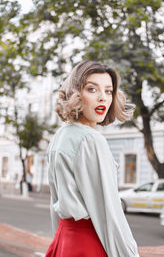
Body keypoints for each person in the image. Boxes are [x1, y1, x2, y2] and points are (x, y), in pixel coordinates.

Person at [45, 61, 139, 257]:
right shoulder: (91, 140)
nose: (102, 98)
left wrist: (58, 243)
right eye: (92, 89)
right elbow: (109, 213)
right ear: (76, 93)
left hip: (64, 241)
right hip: (90, 244)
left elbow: (55, 202)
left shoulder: (59, 137)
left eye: (108, 91)